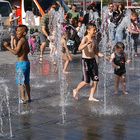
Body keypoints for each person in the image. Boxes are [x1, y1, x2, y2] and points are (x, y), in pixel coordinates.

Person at [73, 23, 104, 102]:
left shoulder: (94, 39)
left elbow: (96, 51)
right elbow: (79, 48)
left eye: (95, 29)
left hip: (93, 61)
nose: (95, 31)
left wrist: (101, 55)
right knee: (86, 81)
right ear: (88, 30)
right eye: (94, 30)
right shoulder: (85, 38)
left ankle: (91, 96)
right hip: (86, 61)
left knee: (96, 80)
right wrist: (86, 43)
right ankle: (76, 90)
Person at [3, 25, 31, 104]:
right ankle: (28, 97)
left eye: (19, 30)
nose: (17, 32)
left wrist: (7, 46)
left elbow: (15, 52)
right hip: (27, 63)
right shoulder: (25, 40)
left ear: (24, 33)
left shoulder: (21, 40)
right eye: (17, 30)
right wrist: (21, 52)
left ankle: (22, 98)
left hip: (21, 64)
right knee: (26, 82)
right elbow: (28, 50)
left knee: (20, 82)